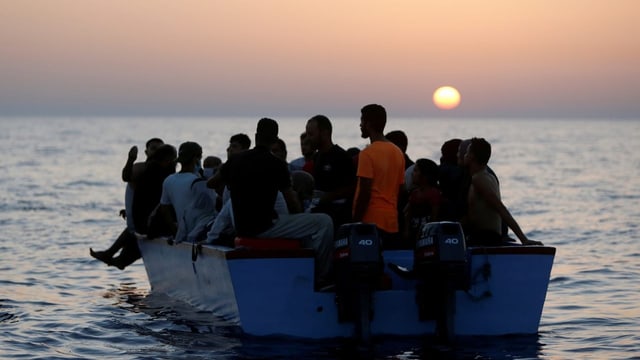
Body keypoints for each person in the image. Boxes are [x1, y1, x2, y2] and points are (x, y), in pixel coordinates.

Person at [216, 118, 334, 288]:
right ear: (274, 139)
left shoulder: (236, 160)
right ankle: (322, 278)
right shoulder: (277, 164)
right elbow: (292, 202)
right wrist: (300, 216)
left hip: (241, 228)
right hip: (265, 227)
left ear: (256, 136)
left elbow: (211, 183)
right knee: (324, 222)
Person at [93, 144, 178, 270]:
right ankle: (118, 259)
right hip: (147, 223)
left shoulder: (151, 171)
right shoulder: (153, 172)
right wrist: (131, 159)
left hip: (143, 221)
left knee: (135, 234)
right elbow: (127, 177)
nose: (175, 161)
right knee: (137, 232)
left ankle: (118, 258)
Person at [463, 137, 543, 246]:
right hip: (481, 235)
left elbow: (500, 208)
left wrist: (524, 239)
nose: (464, 155)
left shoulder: (479, 179)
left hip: (485, 238)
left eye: (467, 152)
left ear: (472, 156)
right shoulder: (487, 176)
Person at [352, 104, 406, 249]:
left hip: (370, 221)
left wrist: (355, 222)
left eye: (362, 121)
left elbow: (365, 192)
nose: (360, 125)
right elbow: (400, 189)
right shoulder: (398, 153)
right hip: (391, 222)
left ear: (368, 124)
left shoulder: (367, 154)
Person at [305, 114, 356, 230]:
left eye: (311, 134)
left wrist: (325, 198)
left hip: (336, 218)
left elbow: (351, 188)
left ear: (324, 133)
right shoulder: (317, 157)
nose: (308, 138)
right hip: (318, 215)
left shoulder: (341, 157)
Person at [404, 158, 444, 243]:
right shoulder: (414, 193)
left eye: (415, 170)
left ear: (425, 176)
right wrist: (407, 230)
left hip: (427, 236)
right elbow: (407, 213)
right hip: (414, 234)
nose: (412, 173)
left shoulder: (434, 194)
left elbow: (435, 217)